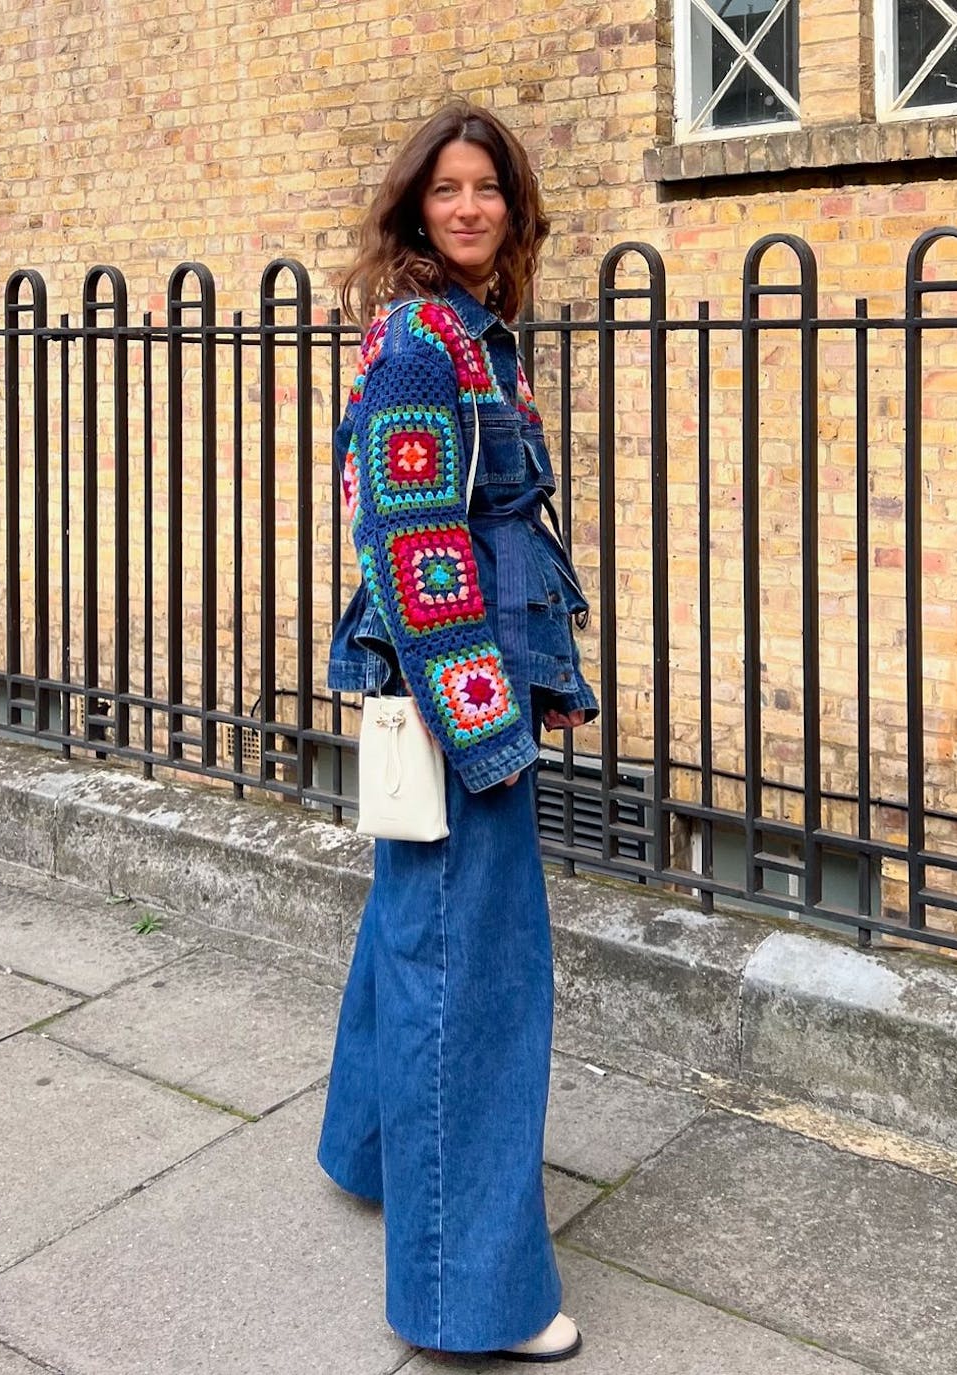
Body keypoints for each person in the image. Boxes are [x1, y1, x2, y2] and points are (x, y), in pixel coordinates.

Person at [317, 100, 598, 1363]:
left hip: (454, 682)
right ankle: (468, 1294)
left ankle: (372, 1151)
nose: (471, 206)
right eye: (448, 190)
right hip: (453, 694)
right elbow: (410, 535)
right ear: (414, 209)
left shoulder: (477, 336)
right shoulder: (427, 345)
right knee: (475, 978)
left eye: (488, 186)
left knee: (414, 929)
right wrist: (482, 726)